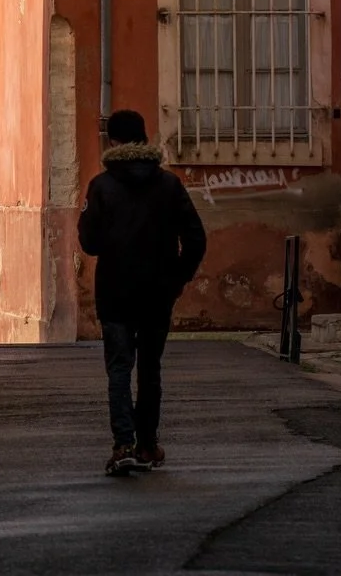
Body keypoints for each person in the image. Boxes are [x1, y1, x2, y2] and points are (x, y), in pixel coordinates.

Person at [77, 108, 207, 476]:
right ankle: (148, 444)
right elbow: (196, 238)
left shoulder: (101, 186)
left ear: (113, 142)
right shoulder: (168, 184)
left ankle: (124, 445)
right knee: (150, 368)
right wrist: (178, 277)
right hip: (157, 294)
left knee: (119, 368)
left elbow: (88, 241)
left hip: (115, 293)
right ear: (145, 138)